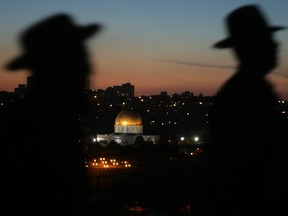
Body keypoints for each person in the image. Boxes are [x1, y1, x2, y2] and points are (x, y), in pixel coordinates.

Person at [1, 14, 102, 215]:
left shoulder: (57, 116)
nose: (87, 68)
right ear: (57, 65)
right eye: (78, 58)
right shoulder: (35, 125)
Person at [205, 4, 287, 216]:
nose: (276, 45)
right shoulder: (244, 92)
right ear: (253, 45)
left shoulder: (249, 87)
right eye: (268, 39)